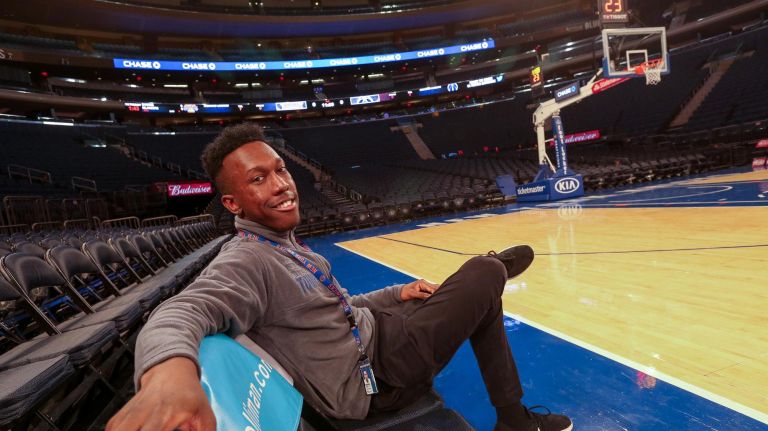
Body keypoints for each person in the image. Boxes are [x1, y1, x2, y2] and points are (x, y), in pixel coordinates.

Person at [106, 123, 573, 431]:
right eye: (258, 179)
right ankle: (493, 277)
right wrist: (167, 377)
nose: (281, 184)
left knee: (481, 291)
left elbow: (340, 307)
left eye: (280, 170)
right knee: (485, 272)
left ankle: (513, 417)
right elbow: (182, 310)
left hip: (380, 337)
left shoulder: (284, 244)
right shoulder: (245, 260)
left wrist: (398, 291)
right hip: (378, 380)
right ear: (232, 203)